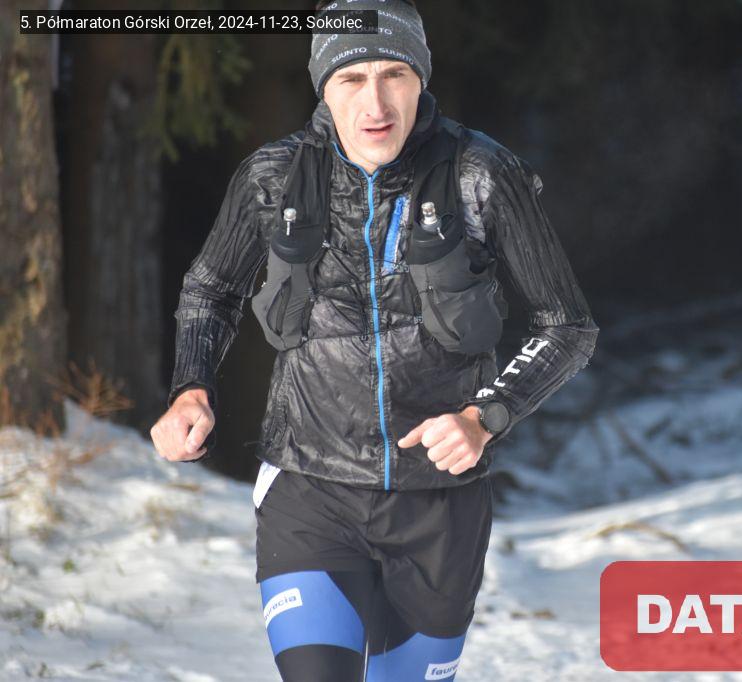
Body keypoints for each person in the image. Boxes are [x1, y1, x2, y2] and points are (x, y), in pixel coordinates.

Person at [149, 1, 598, 679]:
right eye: (351, 79)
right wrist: (192, 387)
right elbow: (211, 290)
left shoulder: (480, 174)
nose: (376, 102)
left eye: (394, 74)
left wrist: (485, 416)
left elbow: (567, 326)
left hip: (439, 509)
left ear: (421, 79)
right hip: (310, 491)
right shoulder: (274, 178)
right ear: (323, 89)